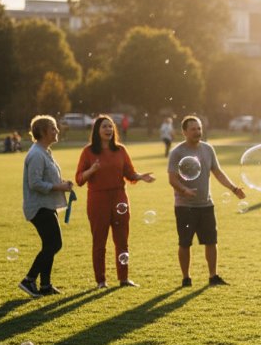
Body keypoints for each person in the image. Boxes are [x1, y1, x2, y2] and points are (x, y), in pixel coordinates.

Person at [75, 116, 155, 288]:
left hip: (119, 197)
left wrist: (141, 177)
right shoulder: (88, 152)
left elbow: (129, 173)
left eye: (110, 127)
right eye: (104, 127)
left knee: (122, 240)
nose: (108, 130)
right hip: (98, 200)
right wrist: (92, 170)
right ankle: (101, 281)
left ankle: (124, 279)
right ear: (97, 130)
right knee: (99, 242)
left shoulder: (120, 150)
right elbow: (79, 179)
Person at [167, 115, 246, 287]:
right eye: (193, 129)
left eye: (199, 128)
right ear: (184, 132)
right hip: (184, 206)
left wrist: (234, 188)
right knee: (185, 243)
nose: (197, 132)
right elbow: (172, 179)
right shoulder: (177, 152)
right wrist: (184, 190)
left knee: (211, 241)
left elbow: (218, 172)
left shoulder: (208, 149)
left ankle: (213, 276)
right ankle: (186, 278)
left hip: (206, 204)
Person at [20, 115, 75, 298]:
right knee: (54, 243)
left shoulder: (44, 151)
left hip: (47, 205)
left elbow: (46, 178)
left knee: (49, 244)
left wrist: (62, 183)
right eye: (53, 128)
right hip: (39, 207)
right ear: (43, 132)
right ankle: (29, 280)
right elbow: (34, 183)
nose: (57, 131)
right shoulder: (36, 154)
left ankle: (45, 285)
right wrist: (58, 187)